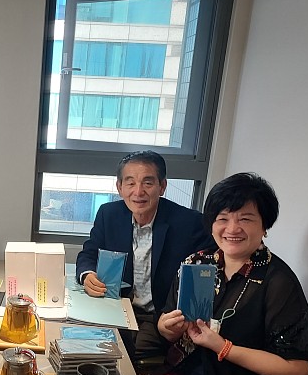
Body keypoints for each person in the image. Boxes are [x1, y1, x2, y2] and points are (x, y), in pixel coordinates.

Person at [143, 173, 308, 375]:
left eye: (245, 219)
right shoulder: (197, 263)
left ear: (264, 226)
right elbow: (167, 323)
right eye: (222, 218)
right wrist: (166, 328)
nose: (232, 229)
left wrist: (224, 347)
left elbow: (298, 371)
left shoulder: (278, 281)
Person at [76, 150, 212, 361]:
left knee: (117, 355)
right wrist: (87, 274)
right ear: (119, 187)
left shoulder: (190, 223)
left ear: (162, 186)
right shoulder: (108, 214)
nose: (138, 192)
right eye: (130, 183)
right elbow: (89, 252)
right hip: (115, 305)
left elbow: (209, 267)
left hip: (157, 316)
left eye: (148, 183)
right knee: (81, 342)